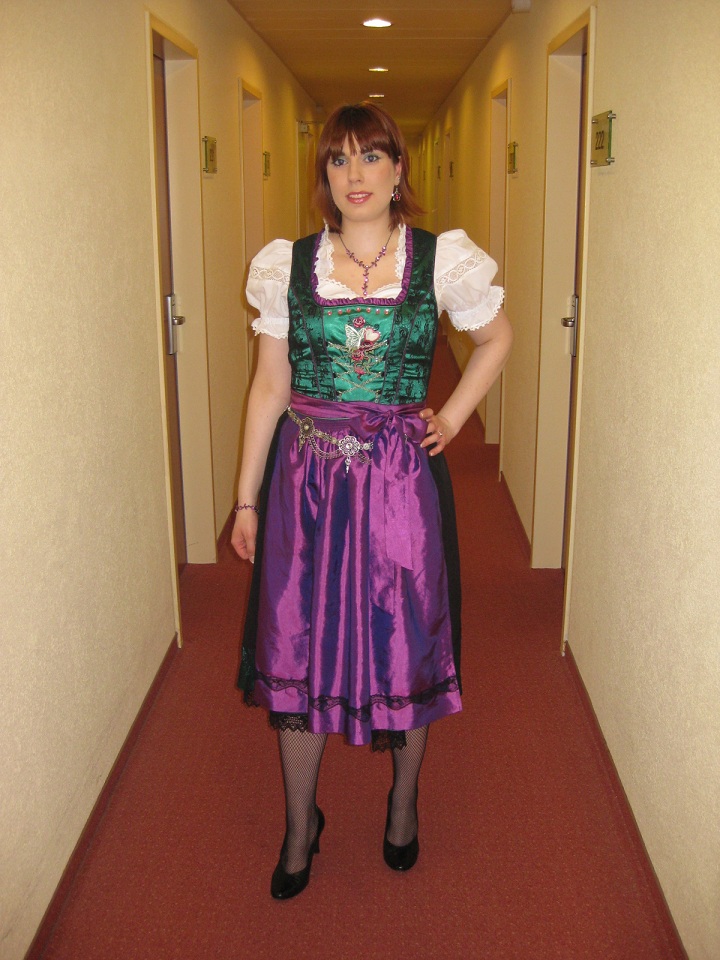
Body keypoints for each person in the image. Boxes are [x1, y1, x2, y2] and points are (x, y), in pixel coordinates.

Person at [231, 102, 512, 900]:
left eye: (371, 156)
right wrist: (246, 499)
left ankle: (403, 802)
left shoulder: (440, 259)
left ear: (398, 170)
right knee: (295, 645)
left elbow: (496, 338)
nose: (354, 174)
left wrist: (450, 417)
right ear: (324, 175)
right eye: (338, 159)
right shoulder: (287, 266)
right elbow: (270, 386)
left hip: (400, 484)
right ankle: (299, 827)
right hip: (307, 482)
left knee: (407, 642)